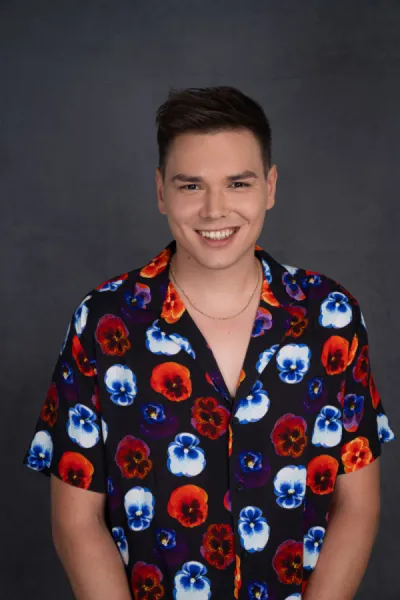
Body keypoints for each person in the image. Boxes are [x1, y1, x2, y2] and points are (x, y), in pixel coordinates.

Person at [23, 86, 395, 600]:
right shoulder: (103, 323)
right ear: (161, 192)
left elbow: (358, 504)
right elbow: (76, 520)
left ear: (270, 187)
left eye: (238, 183)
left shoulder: (332, 316)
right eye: (191, 186)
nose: (215, 210)